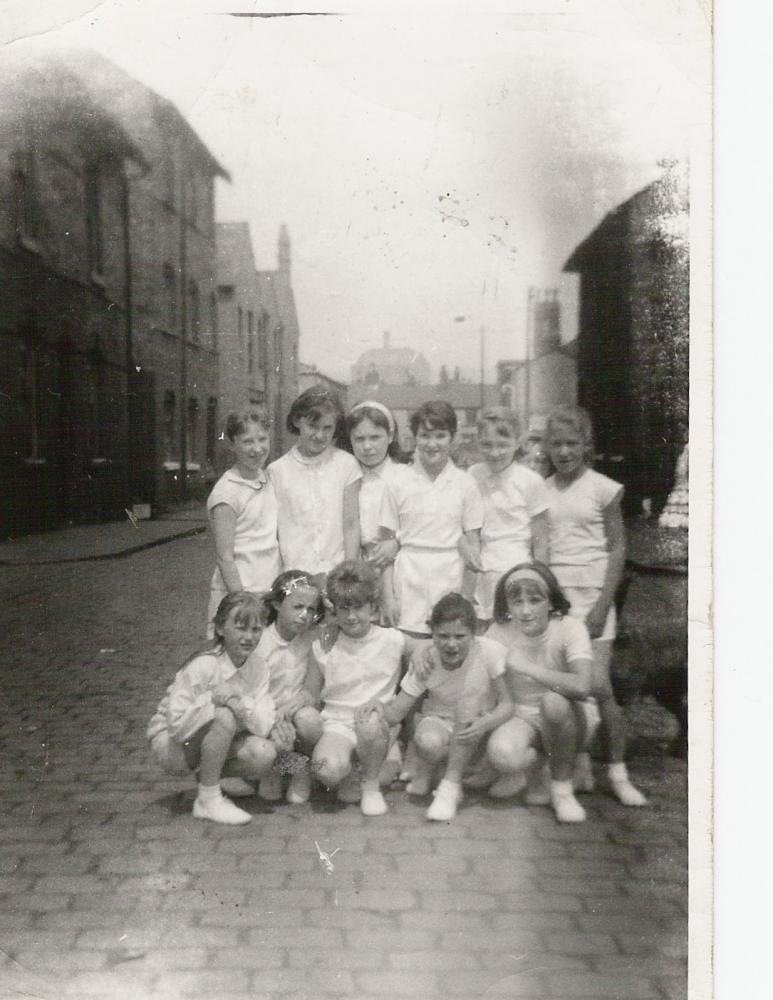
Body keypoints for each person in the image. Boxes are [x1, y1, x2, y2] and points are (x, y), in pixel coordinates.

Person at [543, 405, 647, 806]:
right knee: (564, 688)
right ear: (547, 448)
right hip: (559, 601)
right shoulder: (543, 490)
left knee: (598, 685)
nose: (564, 451)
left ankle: (618, 773)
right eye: (557, 444)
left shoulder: (603, 488)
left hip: (593, 599)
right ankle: (577, 762)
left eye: (572, 443)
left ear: (586, 446)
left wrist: (604, 604)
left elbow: (617, 547)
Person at [146, 592, 294, 825]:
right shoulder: (204, 664)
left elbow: (263, 722)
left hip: (209, 737)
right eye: (240, 628)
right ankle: (208, 799)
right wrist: (216, 704)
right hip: (173, 747)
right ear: (220, 628)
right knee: (223, 715)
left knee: (264, 752)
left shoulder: (259, 668)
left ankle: (213, 777)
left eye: (256, 630)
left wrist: (238, 704)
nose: (248, 637)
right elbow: (176, 726)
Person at [378, 593, 513, 822]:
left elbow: (508, 704)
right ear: (432, 634)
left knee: (467, 706)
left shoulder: (489, 652)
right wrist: (374, 709)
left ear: (475, 633)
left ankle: (449, 788)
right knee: (427, 741)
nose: (451, 644)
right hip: (441, 722)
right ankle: (448, 774)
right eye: (443, 636)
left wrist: (485, 724)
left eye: (460, 636)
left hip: (479, 725)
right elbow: (397, 711)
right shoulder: (427, 660)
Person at [306, 561, 427, 816]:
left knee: (370, 726)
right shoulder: (324, 644)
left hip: (376, 721)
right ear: (334, 610)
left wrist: (419, 651)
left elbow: (427, 647)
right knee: (326, 770)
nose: (351, 616)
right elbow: (311, 692)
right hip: (337, 725)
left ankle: (371, 786)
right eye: (344, 608)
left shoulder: (390, 638)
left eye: (359, 607)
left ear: (372, 606)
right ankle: (366, 765)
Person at [485, 563, 598, 823]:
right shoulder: (498, 632)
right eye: (517, 602)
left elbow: (583, 686)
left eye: (535, 600)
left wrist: (529, 668)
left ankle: (562, 791)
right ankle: (539, 770)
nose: (525, 610)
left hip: (573, 717)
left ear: (550, 602)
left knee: (553, 703)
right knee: (502, 754)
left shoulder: (570, 627)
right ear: (507, 605)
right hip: (523, 718)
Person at [380, 400, 484, 636]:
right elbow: (384, 547)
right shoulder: (397, 481)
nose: (432, 444)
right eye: (425, 436)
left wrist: (466, 599)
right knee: (408, 652)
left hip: (451, 579)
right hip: (408, 581)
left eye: (440, 435)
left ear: (453, 437)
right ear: (415, 437)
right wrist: (388, 598)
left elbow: (473, 547)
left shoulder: (466, 483)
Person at [267, 387, 361, 587]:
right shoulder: (277, 471)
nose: (320, 435)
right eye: (313, 426)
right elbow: (273, 532)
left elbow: (351, 523)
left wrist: (349, 572)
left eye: (327, 428)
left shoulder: (346, 464)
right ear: (296, 421)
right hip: (293, 575)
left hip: (335, 573)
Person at [468, 408, 549, 625]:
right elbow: (469, 527)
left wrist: (541, 578)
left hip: (517, 568)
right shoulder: (472, 475)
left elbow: (540, 538)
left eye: (503, 445)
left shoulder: (530, 481)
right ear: (478, 442)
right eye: (487, 445)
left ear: (518, 442)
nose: (494, 453)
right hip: (482, 570)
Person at [205, 409, 280, 638]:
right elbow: (225, 557)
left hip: (268, 592)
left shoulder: (266, 478)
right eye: (247, 441)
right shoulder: (227, 492)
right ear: (232, 444)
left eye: (262, 439)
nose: (257, 449)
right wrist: (245, 605)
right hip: (240, 595)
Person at [255, 570, 326, 804]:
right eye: (297, 607)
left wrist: (295, 705)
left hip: (295, 711)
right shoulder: (260, 643)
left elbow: (311, 690)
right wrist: (274, 719)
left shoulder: (312, 638)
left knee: (310, 721)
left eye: (312, 609)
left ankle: (301, 770)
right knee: (275, 745)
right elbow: (253, 695)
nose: (305, 615)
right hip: (264, 717)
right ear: (276, 603)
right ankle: (273, 770)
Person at [343, 401, 410, 580]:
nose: (367, 446)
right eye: (359, 439)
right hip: (362, 566)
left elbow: (421, 522)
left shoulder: (406, 476)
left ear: (390, 436)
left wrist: (397, 542)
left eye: (375, 437)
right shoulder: (348, 478)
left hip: (400, 563)